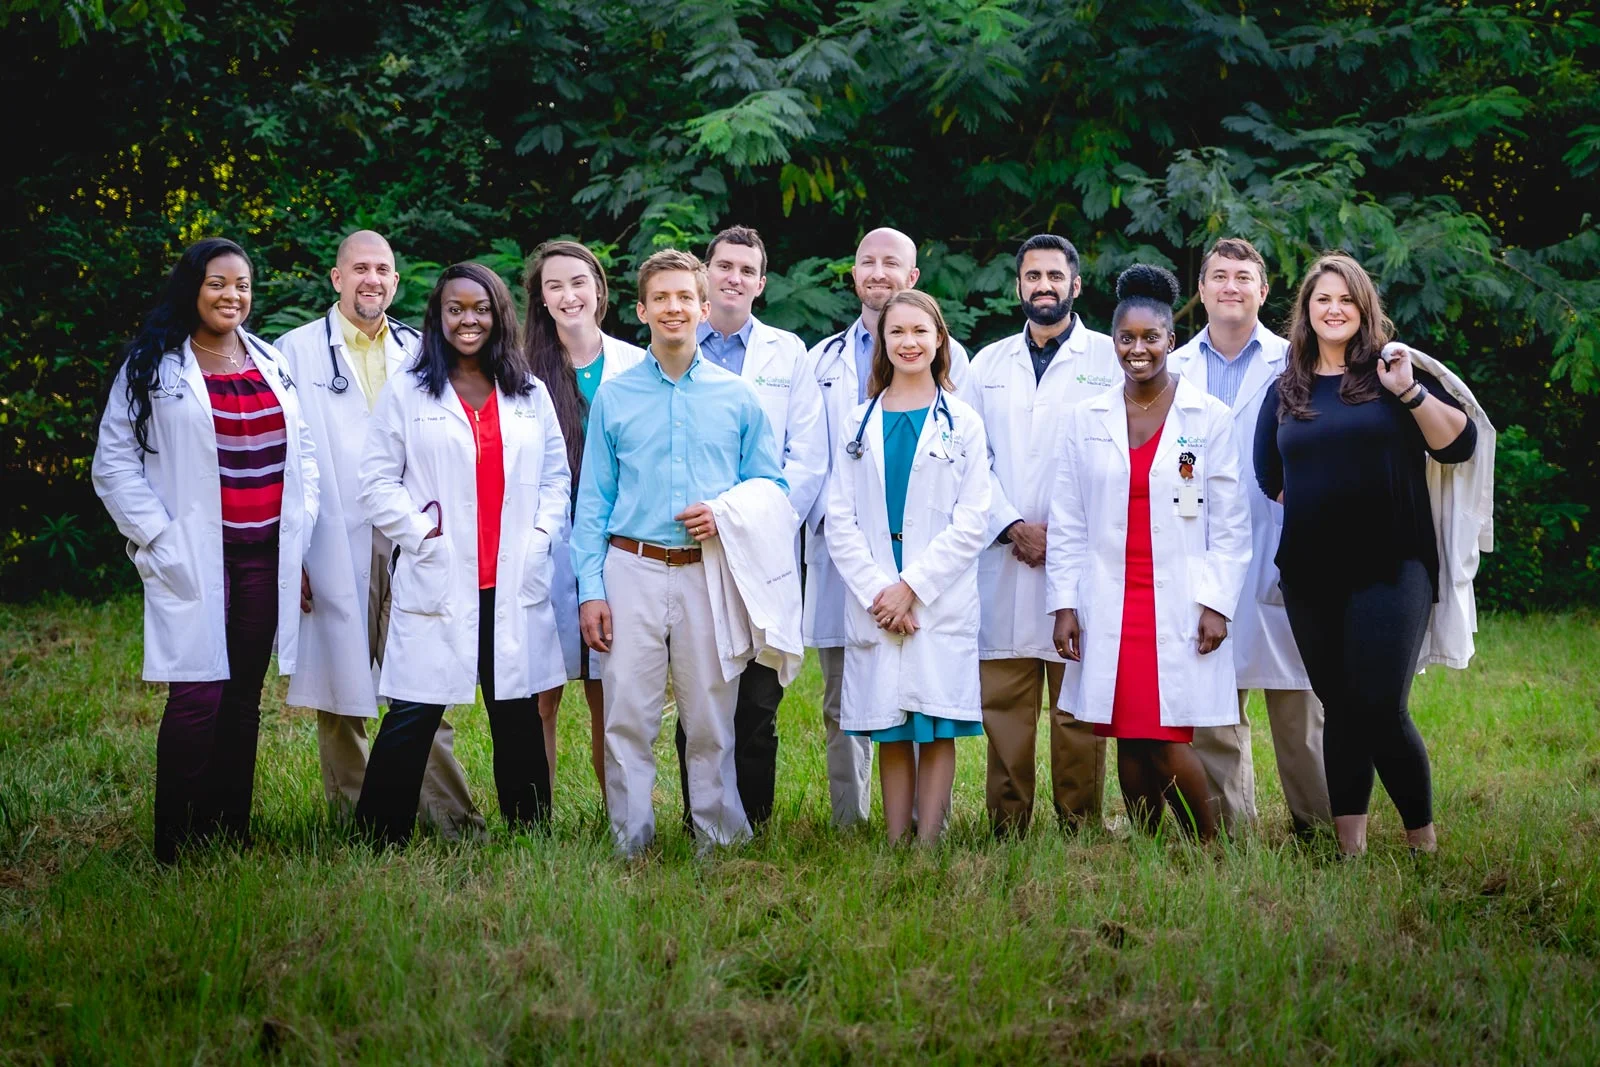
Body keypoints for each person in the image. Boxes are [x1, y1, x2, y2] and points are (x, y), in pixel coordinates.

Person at [92, 238, 319, 863]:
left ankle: (227, 829)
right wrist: (161, 538)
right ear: (193, 288)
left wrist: (298, 536)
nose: (231, 295)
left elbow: (303, 454)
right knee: (197, 694)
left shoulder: (270, 361)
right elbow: (113, 464)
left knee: (243, 696)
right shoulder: (153, 367)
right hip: (194, 555)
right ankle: (175, 841)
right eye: (218, 283)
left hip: (263, 555)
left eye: (242, 285)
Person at [1254, 252, 1475, 856]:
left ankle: (1422, 842)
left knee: (1379, 705)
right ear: (1305, 311)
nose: (1334, 309)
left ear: (1364, 308)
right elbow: (1269, 475)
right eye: (1322, 299)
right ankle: (1349, 847)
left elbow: (1458, 445)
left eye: (1346, 299)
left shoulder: (1393, 373)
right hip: (1310, 572)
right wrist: (1327, 504)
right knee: (1341, 706)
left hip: (1392, 563)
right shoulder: (1286, 390)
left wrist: (1409, 393)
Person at [571, 249, 786, 857]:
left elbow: (771, 485)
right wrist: (591, 589)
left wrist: (725, 511)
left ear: (704, 307)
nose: (673, 307)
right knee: (627, 717)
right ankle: (630, 841)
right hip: (630, 568)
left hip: (706, 570)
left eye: (684, 297)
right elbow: (593, 502)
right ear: (641, 310)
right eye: (660, 298)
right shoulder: (614, 397)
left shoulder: (737, 397)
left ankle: (717, 840)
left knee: (711, 716)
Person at [276, 230, 484, 838]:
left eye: (383, 270)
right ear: (337, 278)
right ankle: (356, 818)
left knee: (425, 675)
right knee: (339, 687)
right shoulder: (293, 352)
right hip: (331, 539)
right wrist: (293, 555)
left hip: (410, 537)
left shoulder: (421, 350)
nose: (372, 279)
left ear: (395, 281)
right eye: (360, 268)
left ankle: (450, 820)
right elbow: (284, 459)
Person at [353, 263, 570, 847]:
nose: (468, 319)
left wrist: (541, 536)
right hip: (442, 574)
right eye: (455, 309)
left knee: (516, 711)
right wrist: (422, 536)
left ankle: (530, 835)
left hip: (511, 577)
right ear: (438, 316)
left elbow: (556, 479)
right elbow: (375, 483)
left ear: (499, 315)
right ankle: (377, 836)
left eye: (480, 308)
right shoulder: (409, 389)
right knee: (414, 710)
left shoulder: (529, 392)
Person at [1048, 265, 1250, 842]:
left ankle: (1209, 848)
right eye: (1126, 338)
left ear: (1171, 340)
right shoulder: (1086, 418)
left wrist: (1217, 604)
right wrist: (1064, 605)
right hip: (1110, 598)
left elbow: (1231, 525)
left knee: (1165, 738)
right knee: (1128, 733)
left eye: (1150, 338)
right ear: (1113, 342)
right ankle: (1149, 849)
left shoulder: (1207, 417)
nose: (1138, 349)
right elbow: (1068, 521)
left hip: (1179, 600)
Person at [804, 226, 971, 827]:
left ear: (938, 339)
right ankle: (883, 833)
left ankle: (930, 837)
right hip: (872, 589)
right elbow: (839, 515)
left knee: (934, 714)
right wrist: (882, 590)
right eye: (896, 332)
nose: (908, 341)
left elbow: (973, 514)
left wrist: (914, 586)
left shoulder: (962, 420)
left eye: (919, 331)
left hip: (933, 593)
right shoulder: (854, 413)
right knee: (884, 716)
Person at [1172, 237, 1332, 837]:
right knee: (1213, 703)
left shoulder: (1298, 361)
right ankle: (1229, 830)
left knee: (1300, 704)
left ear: (1263, 292)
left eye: (1243, 277)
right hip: (1200, 550)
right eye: (1219, 276)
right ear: (1202, 289)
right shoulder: (1175, 366)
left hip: (1284, 546)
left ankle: (1320, 830)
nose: (1230, 287)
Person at [960, 233, 1119, 837]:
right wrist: (1011, 526)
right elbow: (970, 458)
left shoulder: (1108, 359)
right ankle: (1008, 826)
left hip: (1078, 555)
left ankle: (1080, 823)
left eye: (1055, 276)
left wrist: (1063, 535)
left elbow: (1118, 455)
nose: (1044, 286)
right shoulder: (987, 364)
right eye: (1033, 276)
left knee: (1076, 702)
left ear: (1075, 284)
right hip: (1005, 554)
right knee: (1004, 703)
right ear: (1018, 286)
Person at [671, 225, 828, 829]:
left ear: (761, 284)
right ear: (705, 273)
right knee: (701, 694)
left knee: (760, 697)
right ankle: (702, 819)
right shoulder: (674, 341)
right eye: (724, 266)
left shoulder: (788, 353)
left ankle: (755, 822)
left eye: (746, 270)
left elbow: (806, 459)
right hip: (690, 543)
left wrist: (753, 523)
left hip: (764, 548)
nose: (733, 278)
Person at [521, 240, 647, 798]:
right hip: (545, 542)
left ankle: (619, 811)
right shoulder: (519, 370)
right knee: (541, 692)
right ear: (541, 299)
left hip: (616, 543)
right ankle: (535, 814)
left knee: (609, 690)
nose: (568, 295)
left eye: (578, 282)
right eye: (554, 286)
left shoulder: (636, 365)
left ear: (599, 289)